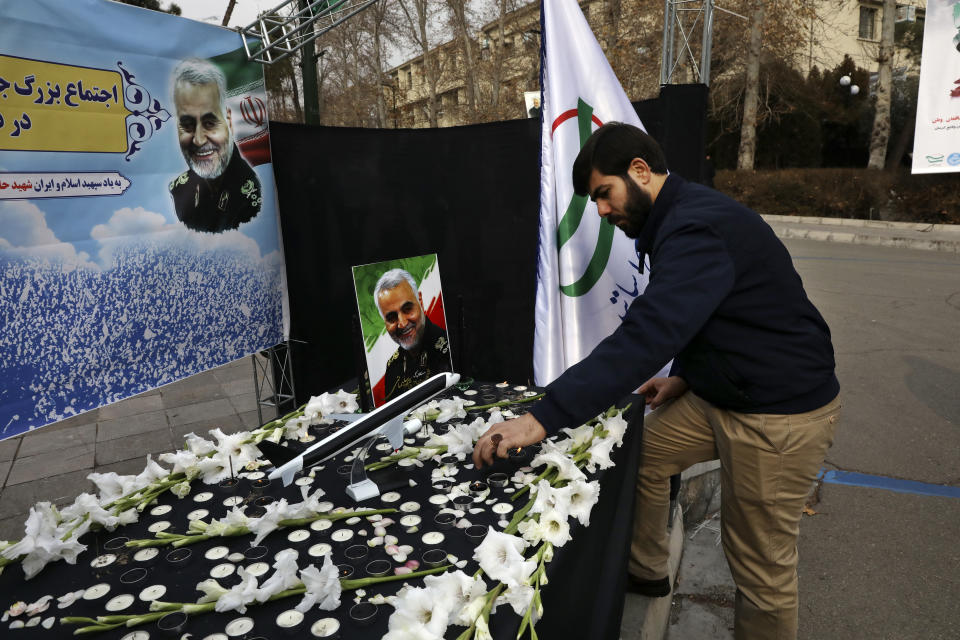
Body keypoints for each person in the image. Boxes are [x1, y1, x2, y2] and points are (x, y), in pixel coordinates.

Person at [473, 123, 841, 640]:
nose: (601, 211)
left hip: (775, 413)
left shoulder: (695, 228)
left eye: (605, 193)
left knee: (760, 568)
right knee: (641, 455)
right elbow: (715, 313)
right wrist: (686, 379)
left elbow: (650, 333)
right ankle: (647, 571)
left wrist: (541, 419)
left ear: (640, 172)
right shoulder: (678, 217)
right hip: (724, 393)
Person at [169, 58, 261, 233]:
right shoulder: (179, 190)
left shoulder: (252, 197)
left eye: (210, 123)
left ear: (229, 121)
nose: (198, 140)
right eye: (187, 125)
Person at [374, 268, 452, 402]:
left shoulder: (450, 350)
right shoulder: (393, 367)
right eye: (391, 317)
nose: (402, 324)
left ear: (420, 302)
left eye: (407, 309)